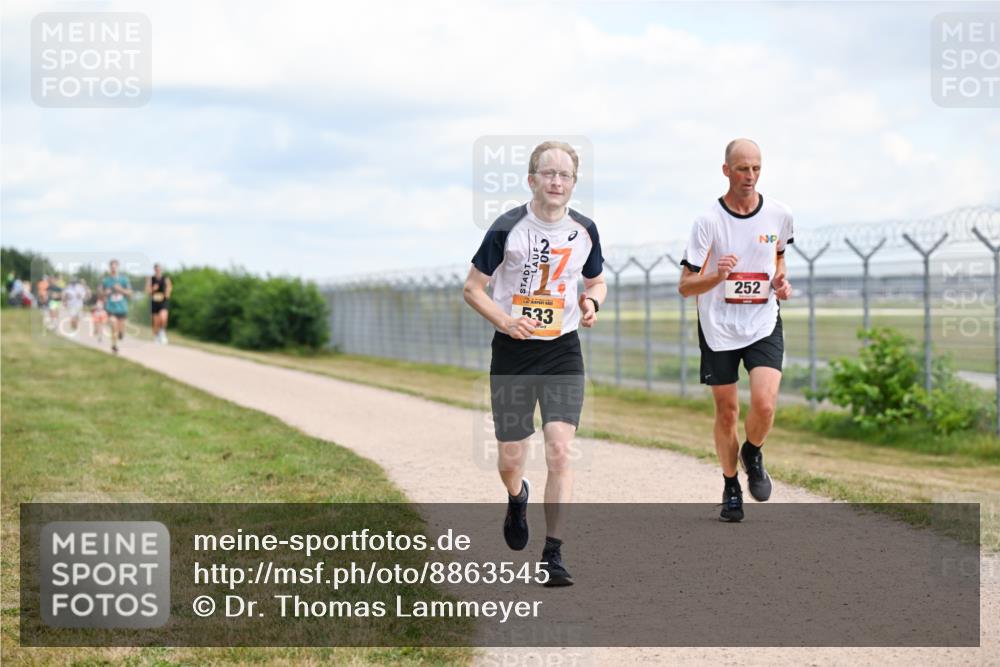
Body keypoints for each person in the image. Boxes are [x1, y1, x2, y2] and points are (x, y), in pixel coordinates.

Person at [463, 141, 606, 586]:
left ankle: (553, 554)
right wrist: (506, 321)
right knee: (511, 457)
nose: (556, 182)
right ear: (532, 180)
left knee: (560, 449)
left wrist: (592, 303)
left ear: (574, 183)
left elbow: (597, 281)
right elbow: (472, 288)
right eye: (548, 173)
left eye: (565, 175)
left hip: (562, 350)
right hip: (514, 352)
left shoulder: (585, 230)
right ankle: (516, 495)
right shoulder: (507, 228)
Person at [679, 138, 794, 522]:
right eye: (742, 168)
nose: (750, 175)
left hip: (763, 321)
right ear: (726, 170)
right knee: (727, 412)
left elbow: (779, 257)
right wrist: (717, 276)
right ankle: (731, 485)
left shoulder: (779, 214)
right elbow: (685, 286)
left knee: (765, 403)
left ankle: (753, 452)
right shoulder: (708, 222)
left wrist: (780, 281)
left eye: (756, 168)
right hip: (718, 328)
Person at [100, 260, 133, 353]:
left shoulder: (124, 280)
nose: (113, 269)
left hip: (122, 308)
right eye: (112, 267)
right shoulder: (106, 280)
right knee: (113, 325)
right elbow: (101, 294)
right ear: (110, 268)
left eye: (115, 267)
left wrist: (120, 289)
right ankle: (114, 345)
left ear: (118, 267)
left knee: (120, 330)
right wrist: (106, 293)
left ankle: (121, 334)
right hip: (111, 308)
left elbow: (130, 293)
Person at [145, 264, 172, 344]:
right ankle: (156, 336)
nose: (158, 270)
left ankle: (162, 333)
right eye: (156, 269)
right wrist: (153, 289)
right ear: (154, 270)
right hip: (154, 302)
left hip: (163, 301)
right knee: (156, 322)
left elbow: (169, 288)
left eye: (159, 269)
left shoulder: (166, 279)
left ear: (161, 270)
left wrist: (167, 293)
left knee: (163, 318)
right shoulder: (151, 279)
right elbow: (147, 291)